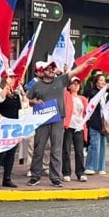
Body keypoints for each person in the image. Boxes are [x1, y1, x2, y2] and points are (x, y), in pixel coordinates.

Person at [26, 58, 95, 187]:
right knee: (39, 148)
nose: (51, 70)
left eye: (53, 68)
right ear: (42, 72)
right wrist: (35, 102)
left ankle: (55, 178)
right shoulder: (36, 85)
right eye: (48, 69)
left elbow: (74, 72)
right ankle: (35, 176)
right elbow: (28, 100)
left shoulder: (60, 80)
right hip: (42, 120)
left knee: (56, 149)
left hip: (58, 119)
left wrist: (85, 64)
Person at [0, 71, 23, 188]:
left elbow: (22, 106)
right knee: (1, 153)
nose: (12, 79)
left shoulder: (15, 92)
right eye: (10, 77)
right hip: (1, 126)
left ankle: (7, 178)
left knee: (11, 154)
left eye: (14, 77)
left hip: (14, 127)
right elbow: (0, 99)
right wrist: (6, 87)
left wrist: (22, 93)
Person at [62, 76, 88, 182]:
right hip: (69, 126)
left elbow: (87, 111)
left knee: (79, 151)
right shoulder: (67, 96)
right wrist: (65, 73)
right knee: (66, 150)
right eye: (73, 83)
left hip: (79, 127)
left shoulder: (83, 99)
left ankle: (80, 172)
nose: (76, 85)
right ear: (69, 86)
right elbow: (62, 89)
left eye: (77, 84)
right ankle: (66, 172)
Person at [84, 71, 109, 175]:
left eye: (104, 80)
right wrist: (104, 90)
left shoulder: (106, 94)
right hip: (95, 122)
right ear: (96, 82)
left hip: (104, 122)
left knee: (103, 145)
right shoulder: (93, 92)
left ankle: (101, 167)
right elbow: (94, 97)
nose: (103, 82)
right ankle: (90, 166)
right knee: (95, 145)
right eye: (100, 80)